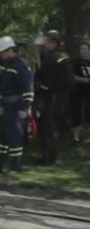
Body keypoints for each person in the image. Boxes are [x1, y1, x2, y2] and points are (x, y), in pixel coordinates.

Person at [0, 37, 34, 173]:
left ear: (10, 50)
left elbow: (27, 88)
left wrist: (25, 107)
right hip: (6, 105)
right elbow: (4, 84)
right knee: (0, 137)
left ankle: (16, 167)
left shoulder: (20, 65)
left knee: (14, 137)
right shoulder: (7, 65)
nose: (0, 55)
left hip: (16, 106)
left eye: (2, 52)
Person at [35, 32, 74, 165]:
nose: (44, 45)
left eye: (47, 42)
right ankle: (46, 155)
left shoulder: (56, 58)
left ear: (54, 43)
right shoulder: (51, 57)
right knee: (46, 127)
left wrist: (42, 92)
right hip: (52, 97)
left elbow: (52, 81)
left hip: (55, 97)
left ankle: (51, 158)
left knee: (50, 127)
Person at [70, 42, 90, 147]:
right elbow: (73, 76)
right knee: (76, 113)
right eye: (81, 49)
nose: (82, 51)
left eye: (85, 49)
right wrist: (86, 80)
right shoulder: (75, 62)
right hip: (78, 92)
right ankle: (75, 138)